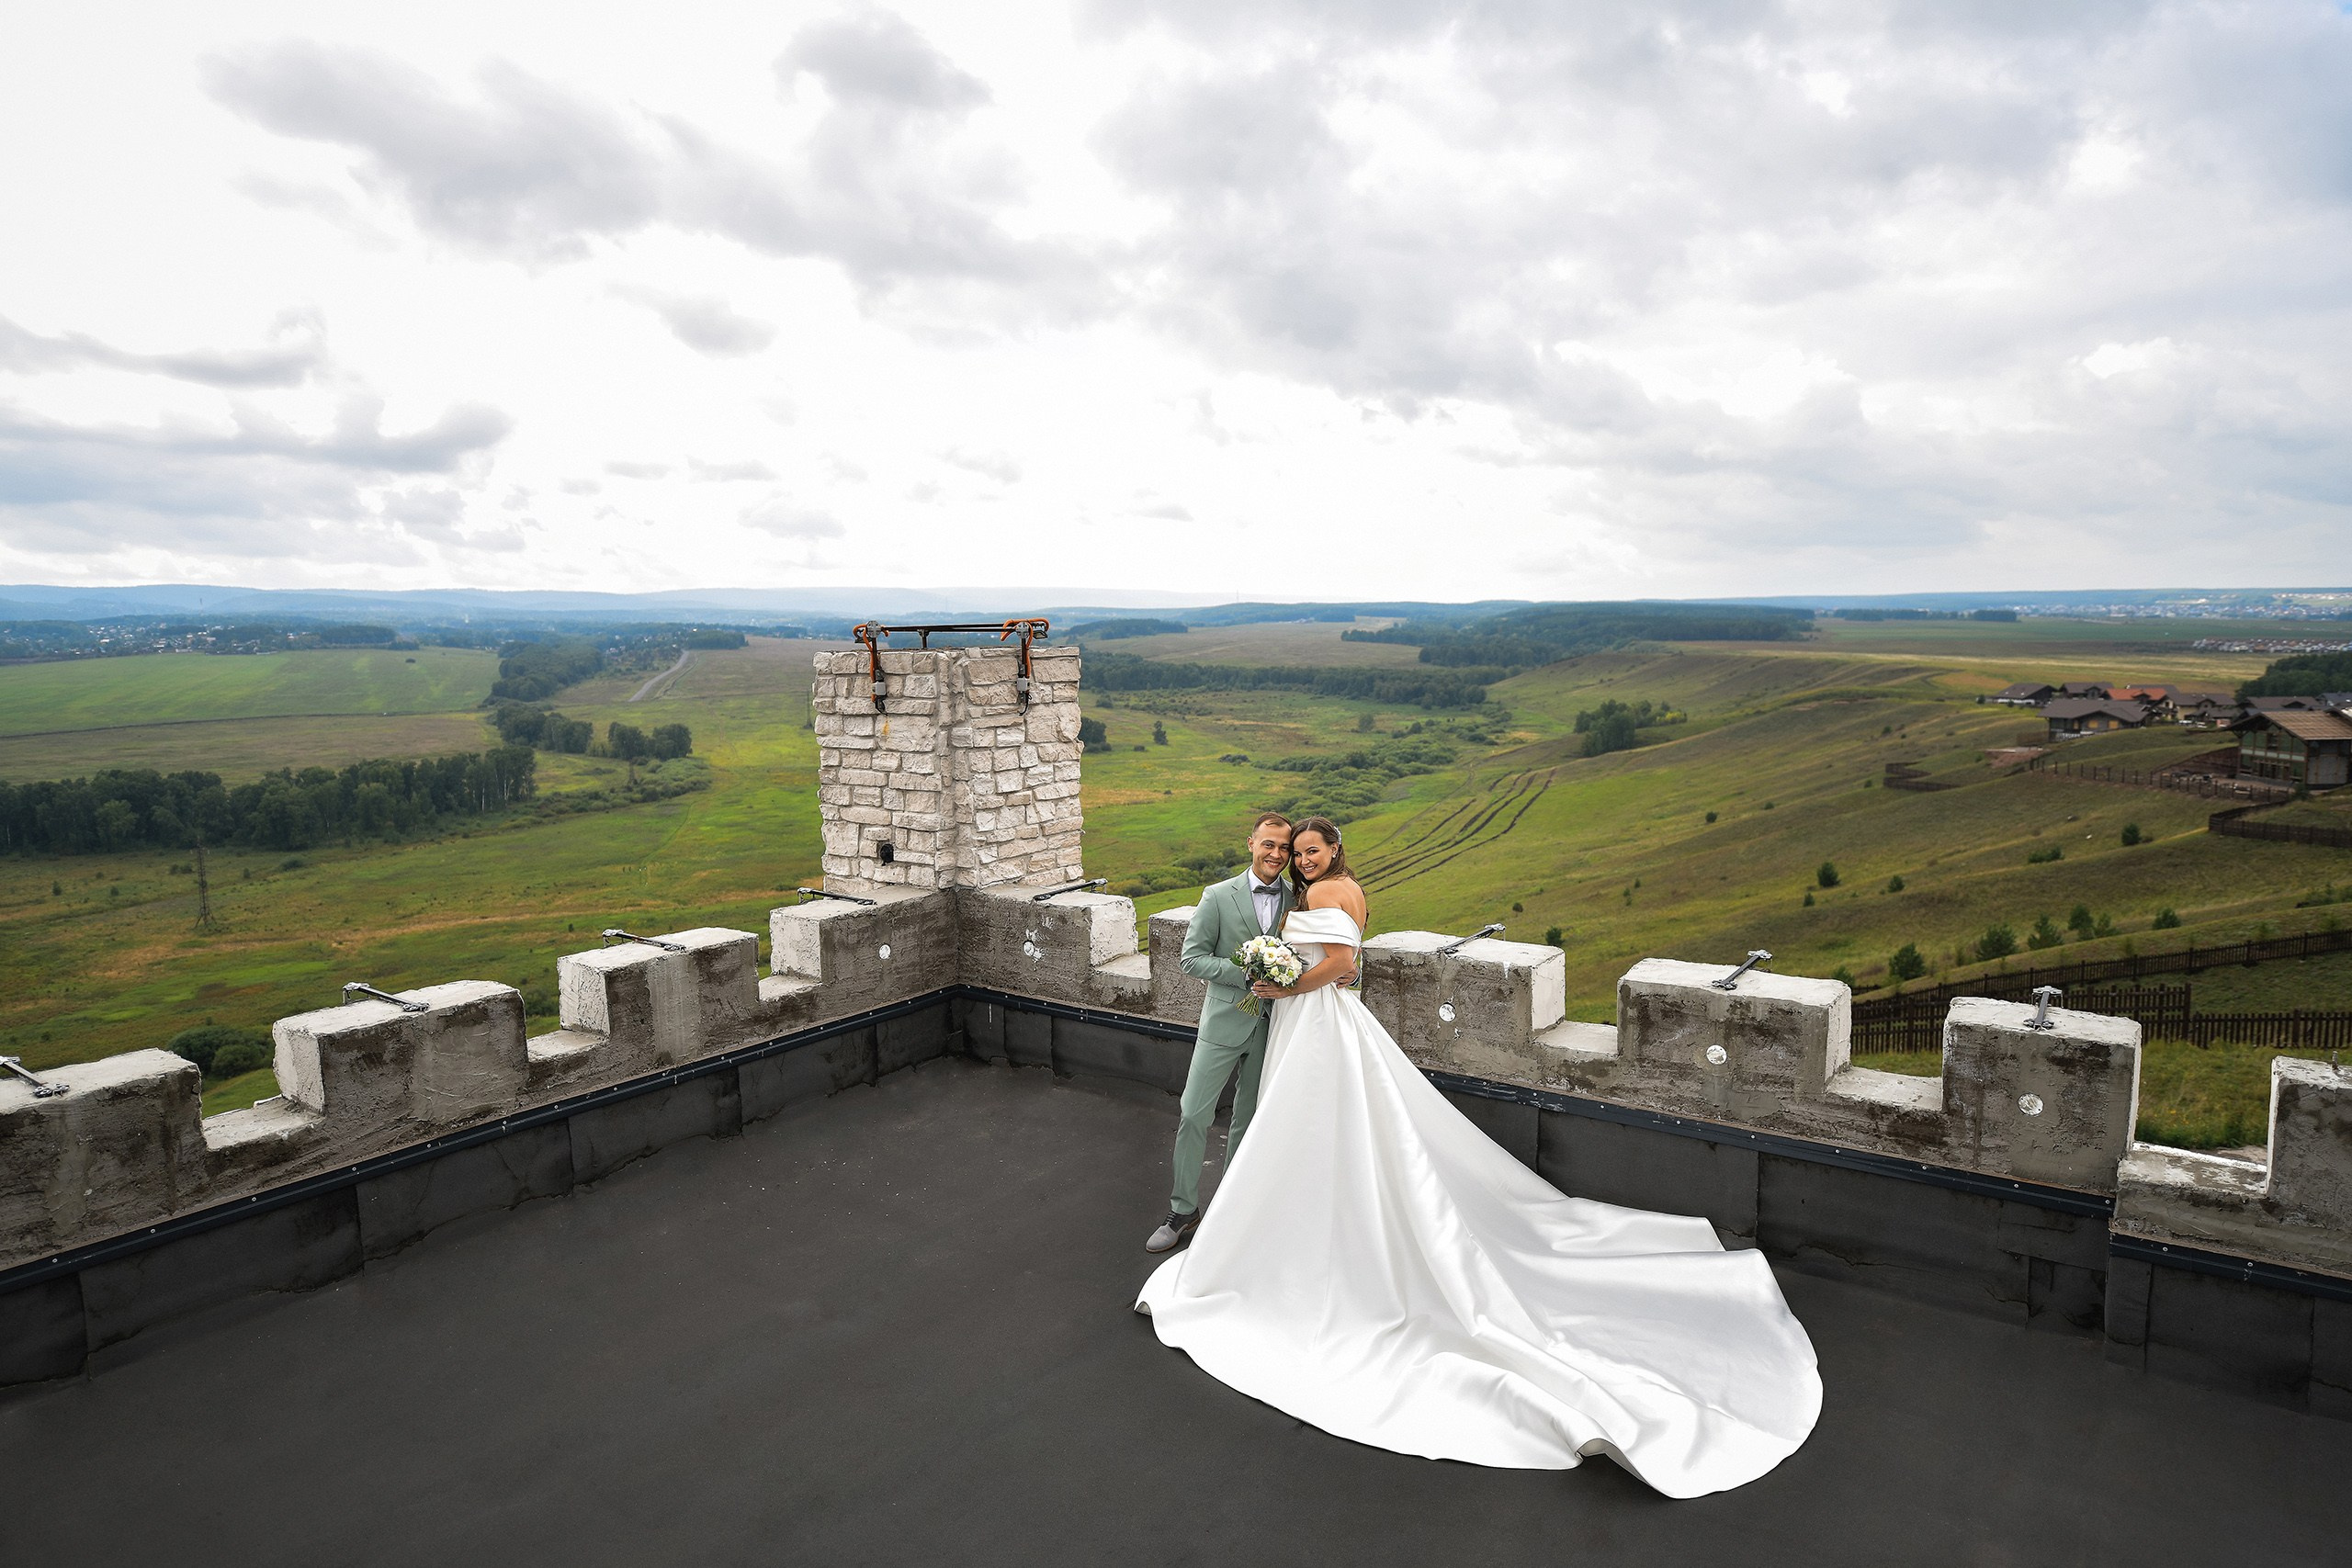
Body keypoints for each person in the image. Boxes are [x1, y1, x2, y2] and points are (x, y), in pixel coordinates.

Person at [1136, 817, 1823, 1498]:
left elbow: (1343, 964)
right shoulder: (1346, 888)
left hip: (1313, 1018)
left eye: (1311, 850)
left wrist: (1284, 985)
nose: (1302, 860)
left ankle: (1298, 1244)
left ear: (1330, 850)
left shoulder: (1317, 897)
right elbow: (1342, 962)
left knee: (1317, 1125)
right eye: (1296, 852)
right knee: (1319, 1125)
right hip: (1314, 1020)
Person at [1144, 813, 1298, 1255]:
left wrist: (1343, 973)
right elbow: (1191, 959)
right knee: (1194, 1112)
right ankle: (1182, 1211)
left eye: (1284, 848)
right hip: (1223, 1022)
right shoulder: (1217, 896)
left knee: (1247, 1122)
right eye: (1268, 844)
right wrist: (1246, 972)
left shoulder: (1297, 899)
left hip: (1273, 1026)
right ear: (1251, 843)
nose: (1276, 854)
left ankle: (1231, 1210)